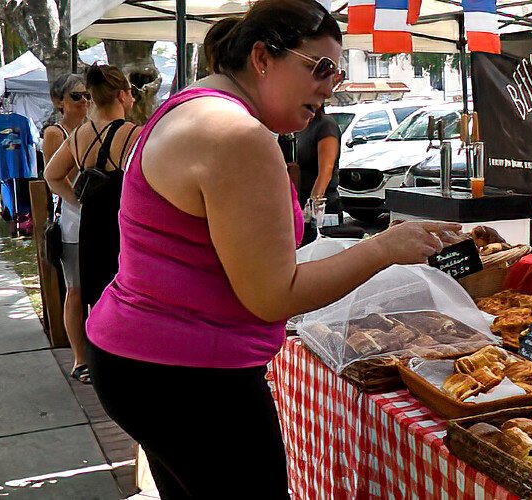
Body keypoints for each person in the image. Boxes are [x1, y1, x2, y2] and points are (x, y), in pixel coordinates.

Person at [82, 1, 458, 496]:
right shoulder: (237, 134)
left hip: (144, 363)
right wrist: (385, 247)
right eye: (320, 68)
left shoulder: (194, 105)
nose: (330, 86)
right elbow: (273, 295)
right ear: (263, 57)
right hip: (190, 380)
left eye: (338, 73)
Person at [44, 65, 141, 317]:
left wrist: (77, 201)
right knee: (129, 293)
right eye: (131, 92)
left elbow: (52, 175)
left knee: (97, 296)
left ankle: (98, 348)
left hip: (91, 225)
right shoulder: (135, 134)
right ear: (122, 94)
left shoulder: (78, 135)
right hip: (126, 225)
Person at [41, 74, 93, 383]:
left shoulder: (91, 130)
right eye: (76, 96)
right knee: (75, 289)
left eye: (87, 95)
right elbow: (57, 176)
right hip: (72, 220)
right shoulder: (56, 133)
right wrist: (82, 202)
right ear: (60, 102)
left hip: (95, 220)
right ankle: (79, 358)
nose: (84, 101)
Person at [294, 105, 342, 245]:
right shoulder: (301, 127)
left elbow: (326, 171)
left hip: (322, 205)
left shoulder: (325, 124)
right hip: (303, 202)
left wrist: (312, 207)